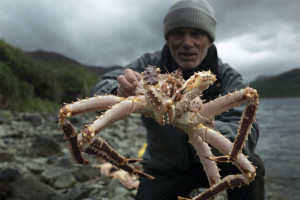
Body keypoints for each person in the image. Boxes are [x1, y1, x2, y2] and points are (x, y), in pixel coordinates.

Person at [91, 0, 265, 199]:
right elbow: (102, 86)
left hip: (214, 156)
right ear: (168, 38)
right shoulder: (149, 65)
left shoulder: (226, 76)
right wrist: (119, 89)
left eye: (196, 34)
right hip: (165, 167)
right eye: (178, 33)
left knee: (254, 167)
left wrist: (215, 129)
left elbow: (249, 138)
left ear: (210, 40)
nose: (187, 42)